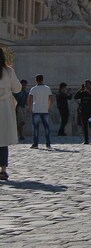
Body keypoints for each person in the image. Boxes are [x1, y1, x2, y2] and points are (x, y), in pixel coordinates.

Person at [0, 48, 22, 180]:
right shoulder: (8, 71)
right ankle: (2, 169)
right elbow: (17, 88)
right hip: (5, 107)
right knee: (3, 140)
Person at [27, 74, 53, 149]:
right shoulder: (47, 88)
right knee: (47, 127)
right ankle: (48, 143)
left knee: (36, 128)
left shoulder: (33, 89)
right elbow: (51, 99)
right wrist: (48, 107)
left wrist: (30, 108)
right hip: (45, 110)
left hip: (36, 110)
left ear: (36, 80)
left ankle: (35, 144)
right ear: (42, 79)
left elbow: (30, 99)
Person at [74, 80, 91, 144]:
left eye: (87, 84)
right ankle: (86, 140)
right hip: (83, 111)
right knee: (84, 126)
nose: (86, 86)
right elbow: (75, 97)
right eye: (85, 84)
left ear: (90, 85)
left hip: (90, 111)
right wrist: (80, 90)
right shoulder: (83, 92)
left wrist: (89, 92)